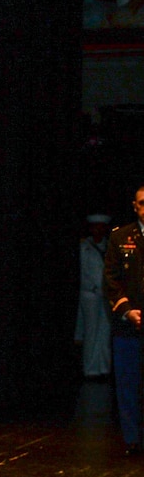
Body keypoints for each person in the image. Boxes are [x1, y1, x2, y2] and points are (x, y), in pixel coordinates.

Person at [105, 186, 144, 454]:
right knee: (129, 383)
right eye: (143, 203)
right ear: (135, 206)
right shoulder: (120, 238)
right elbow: (111, 280)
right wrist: (128, 311)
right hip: (128, 324)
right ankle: (132, 439)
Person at [77, 213, 112, 378]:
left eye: (102, 226)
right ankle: (90, 369)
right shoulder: (84, 247)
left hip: (105, 295)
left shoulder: (109, 247)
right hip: (89, 294)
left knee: (104, 332)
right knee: (91, 331)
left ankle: (103, 368)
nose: (99, 229)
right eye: (96, 226)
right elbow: (83, 273)